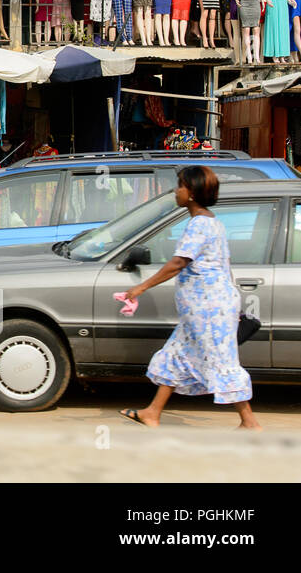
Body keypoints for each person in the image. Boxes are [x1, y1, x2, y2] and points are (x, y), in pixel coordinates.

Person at [119, 166, 260, 430]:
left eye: (180, 186)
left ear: (192, 193)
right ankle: (152, 413)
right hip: (205, 308)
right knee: (177, 354)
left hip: (208, 308)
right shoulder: (211, 221)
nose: (176, 191)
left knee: (221, 361)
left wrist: (141, 287)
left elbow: (178, 262)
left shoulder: (200, 225)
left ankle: (250, 421)